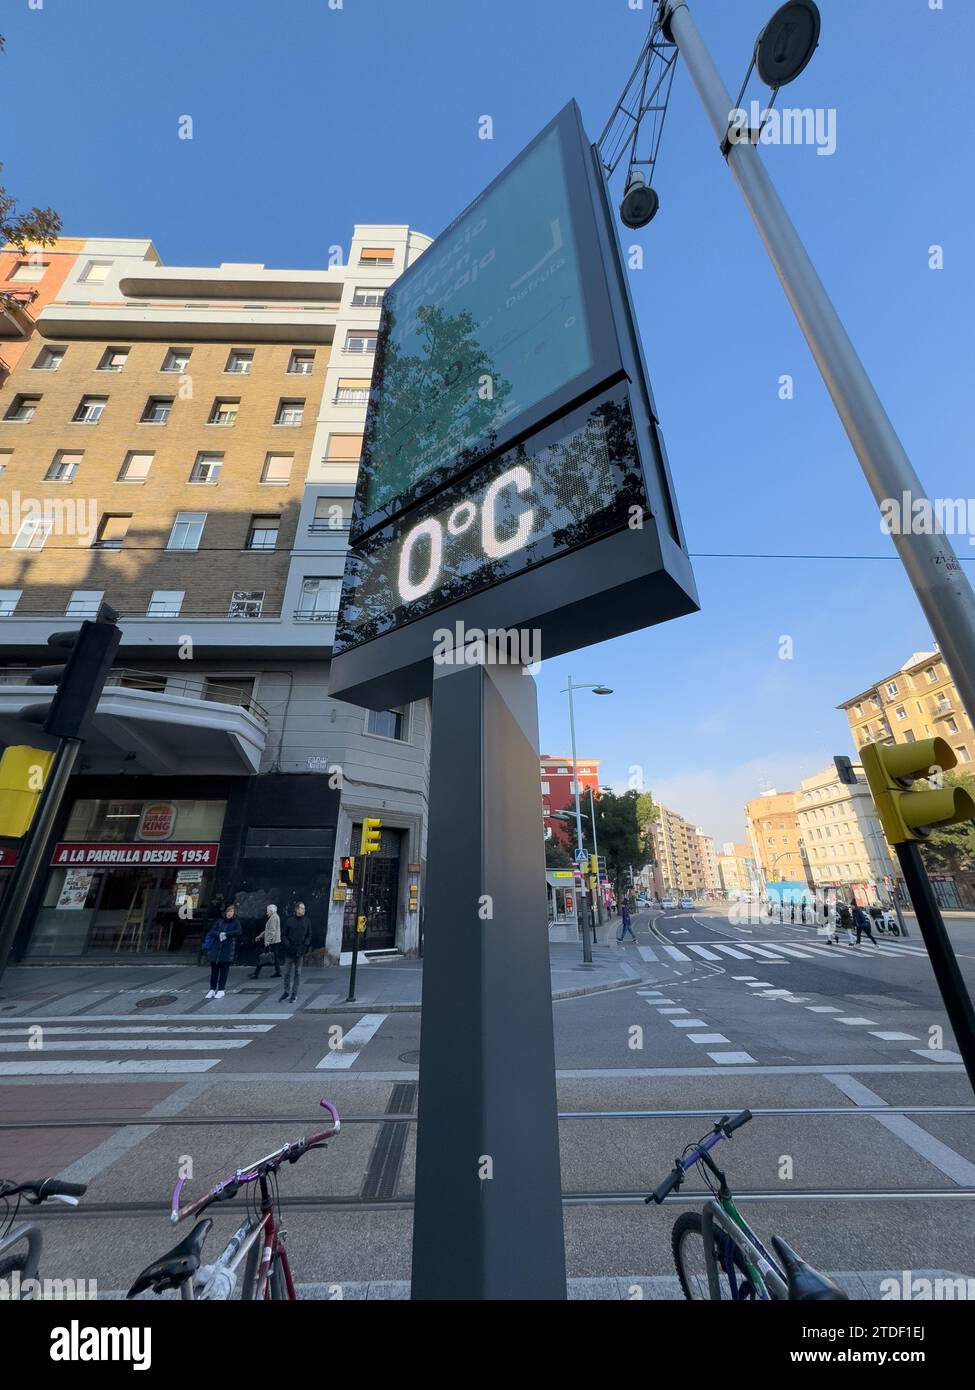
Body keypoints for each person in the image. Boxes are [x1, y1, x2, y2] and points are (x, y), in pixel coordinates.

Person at [204, 904, 240, 999]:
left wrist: (226, 934)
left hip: (227, 950)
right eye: (228, 911)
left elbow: (238, 932)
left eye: (231, 912)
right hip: (216, 950)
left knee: (224, 971)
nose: (229, 913)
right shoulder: (220, 922)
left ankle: (221, 989)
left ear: (234, 913)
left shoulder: (236, 922)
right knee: (214, 971)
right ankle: (212, 989)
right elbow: (212, 931)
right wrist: (219, 934)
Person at [279, 901, 311, 1003]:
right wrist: (287, 944)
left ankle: (294, 993)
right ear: (297, 909)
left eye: (304, 908)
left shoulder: (307, 921)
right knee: (287, 972)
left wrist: (305, 945)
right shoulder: (289, 921)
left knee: (298, 972)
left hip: (300, 951)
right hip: (290, 951)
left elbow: (309, 935)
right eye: (302, 908)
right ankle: (286, 991)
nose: (303, 910)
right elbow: (283, 934)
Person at [252, 902, 282, 980]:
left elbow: (271, 931)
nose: (267, 912)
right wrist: (260, 936)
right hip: (275, 941)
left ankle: (256, 973)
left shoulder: (273, 918)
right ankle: (278, 972)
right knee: (274, 957)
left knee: (263, 957)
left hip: (272, 941)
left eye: (268, 911)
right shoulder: (274, 917)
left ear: (271, 911)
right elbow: (267, 930)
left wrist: (268, 941)